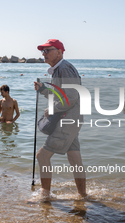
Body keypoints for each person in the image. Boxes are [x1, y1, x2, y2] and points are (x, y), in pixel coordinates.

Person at [33, 39, 87, 198]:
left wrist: (52, 109)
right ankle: (83, 196)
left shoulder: (64, 68)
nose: (44, 54)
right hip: (72, 120)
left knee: (42, 156)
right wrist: (43, 90)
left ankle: (45, 196)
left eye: (47, 50)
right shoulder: (59, 69)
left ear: (60, 51)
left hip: (67, 120)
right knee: (74, 159)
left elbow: (71, 97)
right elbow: (60, 96)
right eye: (43, 51)